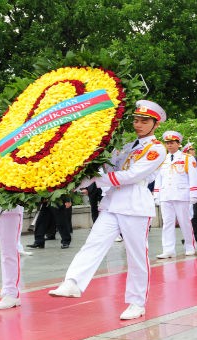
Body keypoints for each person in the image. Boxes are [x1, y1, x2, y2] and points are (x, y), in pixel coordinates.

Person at [49, 100, 167, 320]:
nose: (139, 124)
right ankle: (73, 281)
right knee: (94, 242)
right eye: (136, 120)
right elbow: (106, 167)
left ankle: (136, 302)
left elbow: (132, 175)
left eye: (145, 121)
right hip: (112, 202)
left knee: (136, 256)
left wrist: (97, 179)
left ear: (155, 124)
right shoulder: (125, 144)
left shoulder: (156, 149)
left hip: (135, 204)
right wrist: (80, 177)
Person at [154, 130, 197, 258]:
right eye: (167, 143)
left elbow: (193, 176)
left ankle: (190, 246)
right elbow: (159, 177)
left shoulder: (187, 158)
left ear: (178, 144)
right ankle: (168, 249)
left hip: (181, 194)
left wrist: (194, 193)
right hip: (166, 195)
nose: (169, 145)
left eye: (172, 142)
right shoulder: (163, 159)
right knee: (167, 223)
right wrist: (156, 194)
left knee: (185, 222)